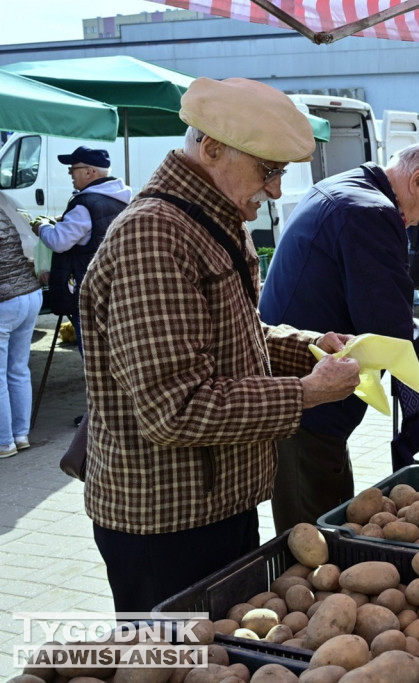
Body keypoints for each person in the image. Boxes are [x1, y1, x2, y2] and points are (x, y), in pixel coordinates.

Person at [79, 77, 363, 612]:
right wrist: (305, 393)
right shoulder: (155, 238)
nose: (276, 189)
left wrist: (309, 347)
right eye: (269, 169)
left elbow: (233, 335)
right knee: (178, 661)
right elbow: (175, 409)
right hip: (166, 524)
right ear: (210, 148)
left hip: (215, 505)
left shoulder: (208, 220)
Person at [260, 143, 419, 532]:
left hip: (303, 391)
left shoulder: (347, 186)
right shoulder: (370, 212)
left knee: (325, 514)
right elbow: (388, 329)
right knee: (316, 534)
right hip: (306, 403)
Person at [32, 146, 130, 356]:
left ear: (89, 172)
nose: (70, 174)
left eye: (72, 169)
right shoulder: (121, 198)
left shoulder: (84, 204)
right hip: (114, 286)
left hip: (87, 290)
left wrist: (42, 228)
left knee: (93, 357)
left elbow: (59, 242)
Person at [0, 201, 43, 458]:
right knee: (18, 369)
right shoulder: (6, 208)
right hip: (30, 294)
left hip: (5, 301)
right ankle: (21, 434)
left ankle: (5, 442)